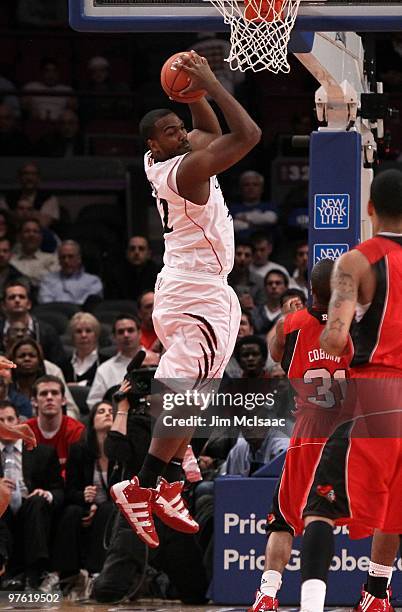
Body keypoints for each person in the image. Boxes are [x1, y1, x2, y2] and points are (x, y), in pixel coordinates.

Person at [110, 50, 261, 548]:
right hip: (196, 289)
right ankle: (143, 484)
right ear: (155, 144)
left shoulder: (165, 158)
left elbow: (209, 135)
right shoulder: (185, 172)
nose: (183, 134)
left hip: (190, 286)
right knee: (181, 392)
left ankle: (170, 480)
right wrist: (213, 85)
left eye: (180, 127)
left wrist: (192, 96)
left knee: (197, 396)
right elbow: (247, 137)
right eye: (172, 131)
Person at [299, 169, 402, 612]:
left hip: (377, 392)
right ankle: (376, 594)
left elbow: (336, 337)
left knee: (323, 502)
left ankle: (310, 605)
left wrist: (326, 335)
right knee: (394, 500)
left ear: (369, 208)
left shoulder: (355, 263)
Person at [249, 258, 351, 612]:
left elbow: (276, 354)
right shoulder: (354, 327)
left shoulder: (289, 325)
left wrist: (290, 318)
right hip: (350, 431)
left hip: (308, 430)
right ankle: (377, 587)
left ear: (310, 289)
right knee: (378, 515)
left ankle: (267, 594)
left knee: (284, 518)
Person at [0, 400, 63, 590]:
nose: (6, 424)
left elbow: (60, 490)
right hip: (3, 511)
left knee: (36, 502)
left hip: (33, 511)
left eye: (10, 419)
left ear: (19, 421)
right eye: (1, 420)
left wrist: (47, 494)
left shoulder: (42, 452)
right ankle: (6, 573)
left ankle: (34, 574)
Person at [25, 375, 85, 478]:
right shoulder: (24, 431)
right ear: (34, 401)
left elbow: (78, 474)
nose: (49, 397)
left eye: (55, 393)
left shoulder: (77, 430)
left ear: (63, 400)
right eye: (43, 394)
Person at [0, 279, 66, 366]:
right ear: (3, 305)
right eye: (12, 297)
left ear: (29, 304)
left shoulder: (47, 332)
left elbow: (60, 364)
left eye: (22, 297)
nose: (17, 300)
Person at [87, 314, 141, 408]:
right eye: (121, 332)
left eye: (130, 330)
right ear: (114, 337)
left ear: (140, 333)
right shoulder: (104, 369)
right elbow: (94, 403)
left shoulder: (157, 361)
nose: (126, 335)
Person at [38, 240, 103, 305]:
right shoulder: (48, 280)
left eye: (70, 256)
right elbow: (45, 303)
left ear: (79, 259)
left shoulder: (93, 281)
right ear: (59, 260)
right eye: (63, 257)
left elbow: (89, 304)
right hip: (53, 313)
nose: (66, 261)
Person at [103, 235, 160, 300]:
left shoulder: (158, 274)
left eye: (141, 249)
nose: (136, 252)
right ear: (127, 253)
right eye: (132, 248)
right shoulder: (115, 274)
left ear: (149, 254)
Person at [62, 312, 107, 387]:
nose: (83, 335)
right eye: (78, 331)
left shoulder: (106, 363)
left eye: (88, 331)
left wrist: (79, 385)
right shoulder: (62, 366)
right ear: (72, 336)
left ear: (96, 335)